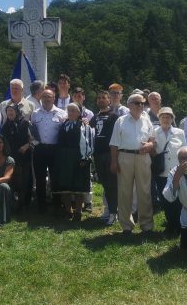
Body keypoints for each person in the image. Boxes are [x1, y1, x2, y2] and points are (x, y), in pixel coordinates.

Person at [110, 92, 156, 234]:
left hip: (143, 157)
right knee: (125, 191)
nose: (140, 105)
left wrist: (150, 144)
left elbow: (153, 139)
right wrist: (114, 161)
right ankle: (126, 226)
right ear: (129, 105)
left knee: (145, 191)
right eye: (137, 103)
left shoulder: (147, 120)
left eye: (142, 103)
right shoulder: (120, 121)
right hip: (125, 156)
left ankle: (146, 225)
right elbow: (114, 143)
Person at [52, 103, 94, 221]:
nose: (70, 112)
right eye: (69, 110)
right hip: (63, 158)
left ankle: (78, 212)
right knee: (65, 186)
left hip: (78, 157)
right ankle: (68, 210)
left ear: (79, 113)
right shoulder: (63, 125)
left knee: (78, 186)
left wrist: (85, 158)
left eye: (73, 110)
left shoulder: (83, 125)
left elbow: (88, 142)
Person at [30, 89, 66, 213]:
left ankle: (57, 205)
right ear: (41, 98)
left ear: (54, 98)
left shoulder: (62, 113)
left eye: (49, 96)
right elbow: (32, 131)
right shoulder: (35, 113)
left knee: (55, 178)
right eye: (44, 96)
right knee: (40, 178)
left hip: (54, 150)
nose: (46, 98)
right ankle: (41, 206)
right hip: (39, 149)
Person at [153, 107, 186, 235]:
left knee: (178, 199)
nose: (166, 119)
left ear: (172, 119)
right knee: (165, 199)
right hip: (161, 171)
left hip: (177, 171)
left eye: (168, 117)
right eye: (163, 117)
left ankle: (179, 225)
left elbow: (184, 150)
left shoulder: (180, 132)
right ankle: (170, 224)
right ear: (159, 119)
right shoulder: (154, 132)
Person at [90, 90, 120, 226]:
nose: (101, 99)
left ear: (109, 100)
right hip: (97, 154)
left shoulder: (114, 116)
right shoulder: (94, 117)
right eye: (99, 98)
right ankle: (110, 210)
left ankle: (114, 213)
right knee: (105, 184)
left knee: (112, 184)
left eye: (104, 97)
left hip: (110, 154)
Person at [1, 104, 33, 211]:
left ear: (17, 111)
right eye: (8, 111)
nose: (10, 113)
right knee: (12, 181)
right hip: (10, 158)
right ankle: (12, 204)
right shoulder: (5, 126)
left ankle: (22, 204)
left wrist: (26, 146)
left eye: (12, 110)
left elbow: (34, 138)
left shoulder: (25, 123)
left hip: (23, 157)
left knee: (23, 182)